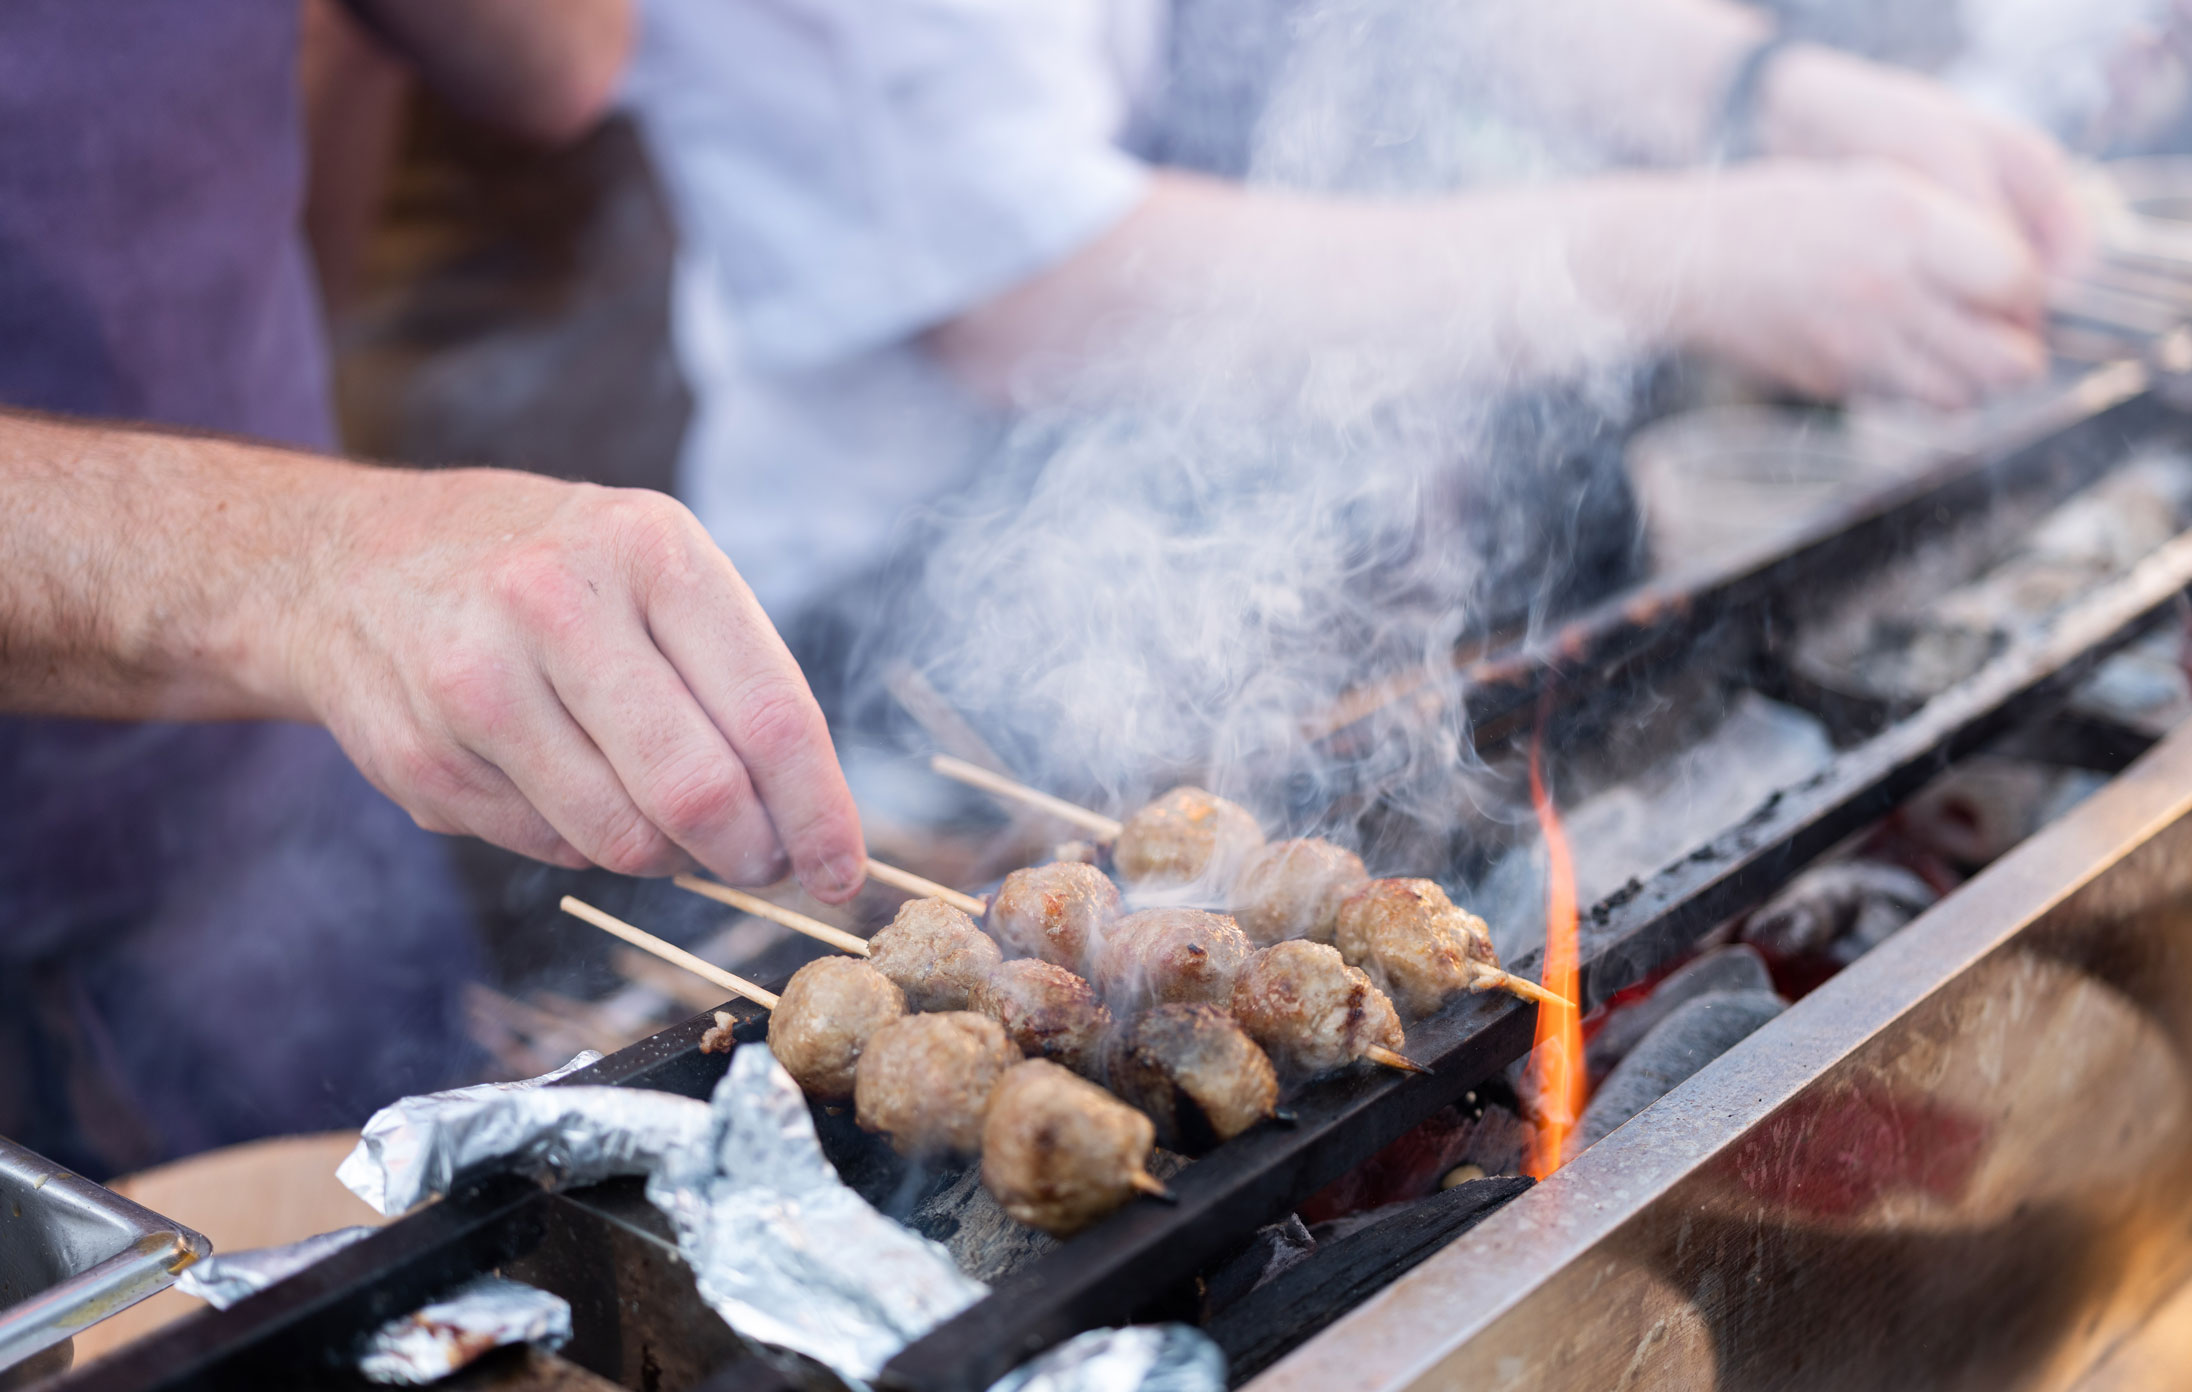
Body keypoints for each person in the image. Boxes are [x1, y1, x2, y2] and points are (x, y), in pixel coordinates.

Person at [0, 0, 865, 1176]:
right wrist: (301, 557)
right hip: (288, 629)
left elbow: (563, 60)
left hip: (283, 794)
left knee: (452, 1278)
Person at [627, 0, 2085, 629]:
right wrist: (1688, 258)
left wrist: (1765, 99)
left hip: (1328, 573)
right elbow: (1026, 291)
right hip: (926, 636)